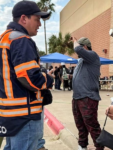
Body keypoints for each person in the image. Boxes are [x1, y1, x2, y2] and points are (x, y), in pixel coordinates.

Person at [0, 1, 53, 150]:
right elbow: (30, 78)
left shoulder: (4, 38)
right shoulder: (21, 39)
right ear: (24, 19)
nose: (39, 25)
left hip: (9, 112)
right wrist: (48, 79)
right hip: (25, 114)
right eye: (37, 19)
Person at [71, 37, 103, 150]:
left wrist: (75, 42)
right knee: (80, 125)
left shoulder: (93, 56)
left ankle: (99, 147)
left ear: (84, 47)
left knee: (92, 126)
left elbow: (78, 50)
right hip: (77, 98)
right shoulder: (81, 61)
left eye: (78, 46)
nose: (76, 50)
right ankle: (82, 146)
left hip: (88, 98)